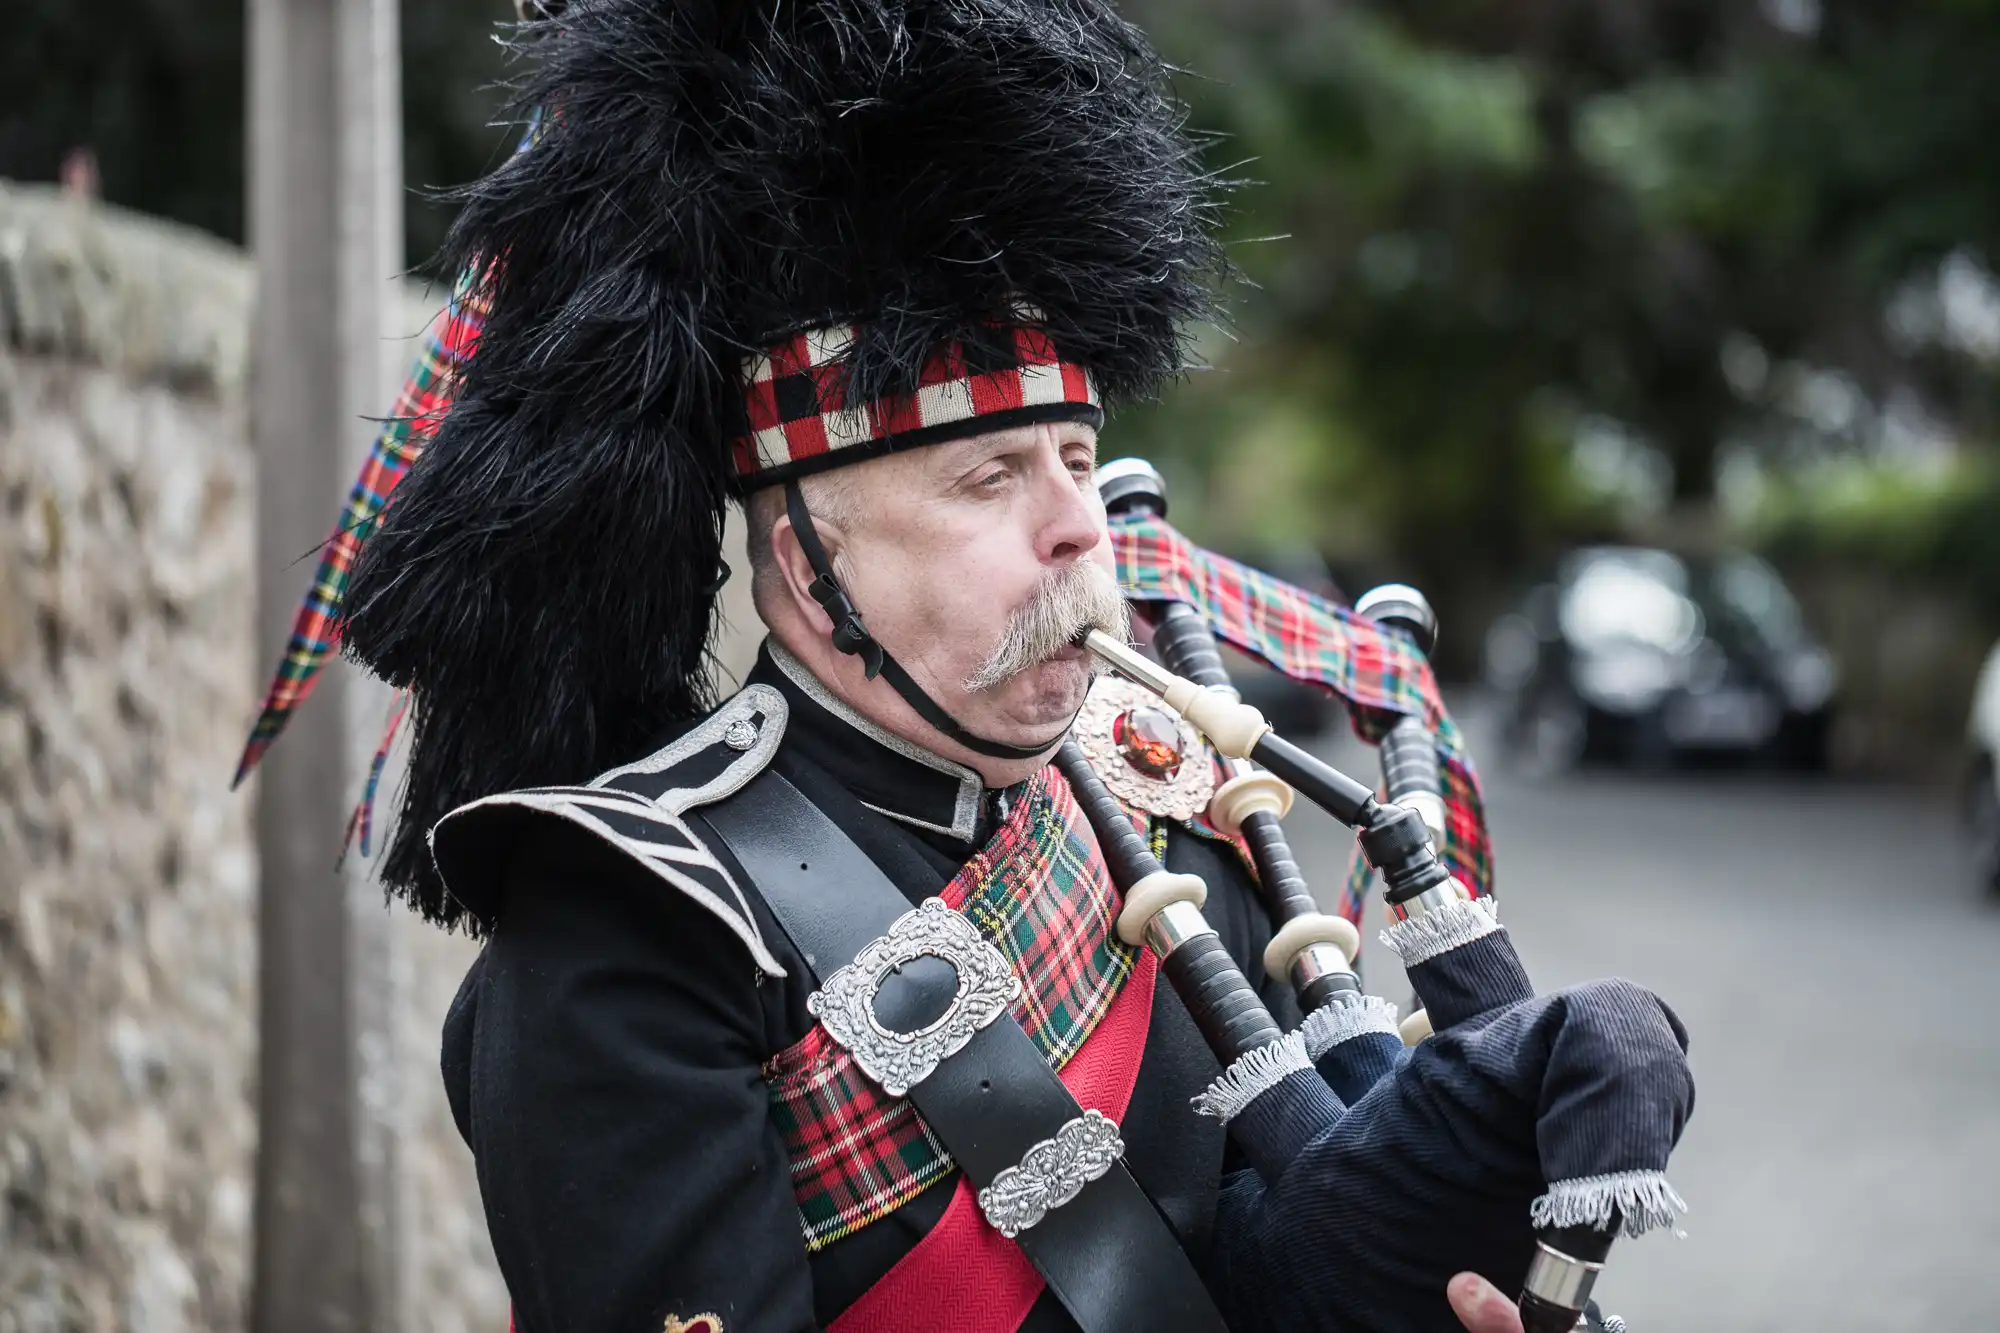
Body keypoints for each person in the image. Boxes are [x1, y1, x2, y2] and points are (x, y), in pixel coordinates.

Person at [334, 3, 1631, 1330]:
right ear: (808, 564)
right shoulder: (633, 927)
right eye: (990, 474)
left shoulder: (1169, 793)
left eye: (1075, 457)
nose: (1076, 523)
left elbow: (1257, 1233)